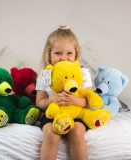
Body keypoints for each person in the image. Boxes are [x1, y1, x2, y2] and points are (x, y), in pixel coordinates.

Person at [36, 25, 92, 160]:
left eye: (69, 53)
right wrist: (51, 100)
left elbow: (88, 102)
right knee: (51, 132)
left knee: (77, 131)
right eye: (58, 53)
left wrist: (74, 101)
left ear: (76, 54)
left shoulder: (82, 73)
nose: (63, 58)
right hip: (53, 114)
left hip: (76, 113)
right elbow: (39, 103)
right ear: (48, 54)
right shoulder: (45, 75)